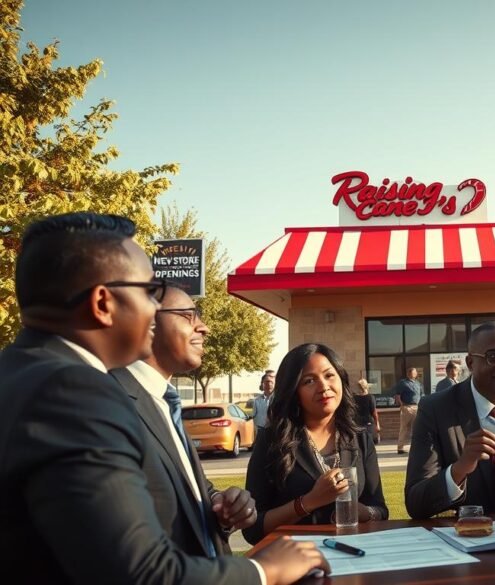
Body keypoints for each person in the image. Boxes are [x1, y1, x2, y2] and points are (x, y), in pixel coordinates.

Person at [0, 212, 327, 584]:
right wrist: (265, 569)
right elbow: (139, 573)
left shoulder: (20, 374)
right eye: (149, 292)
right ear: (103, 302)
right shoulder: (75, 392)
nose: (155, 310)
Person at [111, 285, 258, 558]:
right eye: (189, 315)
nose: (204, 328)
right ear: (148, 320)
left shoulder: (164, 402)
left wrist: (219, 505)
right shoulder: (111, 402)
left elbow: (185, 495)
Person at [405, 322, 495, 519]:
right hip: (463, 539)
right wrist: (459, 470)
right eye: (493, 357)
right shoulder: (435, 409)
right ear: (470, 363)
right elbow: (416, 502)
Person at [243, 343, 388, 544]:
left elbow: (380, 510)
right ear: (293, 391)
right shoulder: (272, 441)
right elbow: (252, 528)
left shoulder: (360, 438)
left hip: (354, 557)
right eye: (309, 381)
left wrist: (363, 512)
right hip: (296, 561)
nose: (323, 387)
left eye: (329, 375)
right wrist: (309, 502)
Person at [393, 366, 422, 454]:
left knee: (416, 428)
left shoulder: (418, 383)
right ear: (408, 373)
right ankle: (400, 448)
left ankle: (415, 447)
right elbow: (397, 395)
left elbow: (422, 394)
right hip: (407, 407)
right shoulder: (403, 383)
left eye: (415, 372)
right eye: (412, 372)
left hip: (416, 407)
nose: (414, 374)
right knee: (404, 428)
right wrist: (402, 406)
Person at [353, 378, 381, 445]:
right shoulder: (370, 397)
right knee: (369, 442)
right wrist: (377, 424)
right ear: (367, 387)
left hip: (358, 422)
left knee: (360, 443)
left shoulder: (354, 398)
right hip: (368, 422)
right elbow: (374, 412)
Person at [252, 370, 275, 441]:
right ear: (262, 384)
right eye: (266, 382)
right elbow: (254, 418)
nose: (269, 384)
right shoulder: (257, 401)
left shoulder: (279, 399)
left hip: (275, 432)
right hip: (261, 433)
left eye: (271, 382)